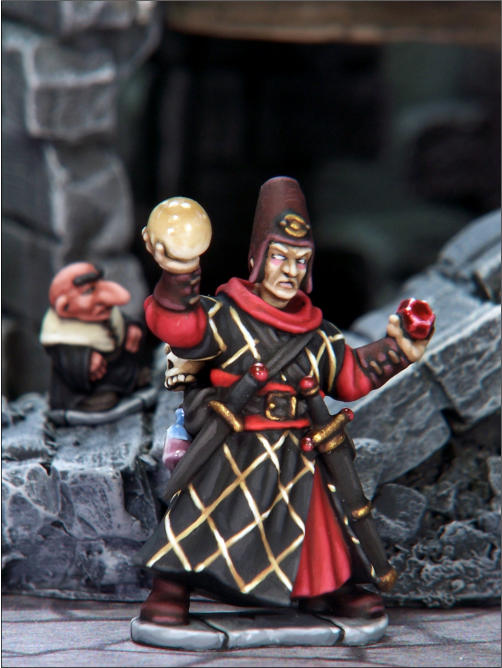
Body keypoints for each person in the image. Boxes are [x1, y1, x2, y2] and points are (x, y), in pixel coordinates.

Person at [134, 177, 434, 628]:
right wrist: (179, 272)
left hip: (297, 451)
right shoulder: (224, 318)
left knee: (317, 526)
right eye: (279, 257)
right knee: (203, 519)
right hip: (235, 444)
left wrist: (398, 351)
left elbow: (350, 375)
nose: (290, 270)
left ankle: (329, 588)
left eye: (300, 260)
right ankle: (171, 588)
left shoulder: (318, 335)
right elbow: (180, 327)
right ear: (257, 259)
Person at [40, 262, 147, 412]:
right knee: (98, 392)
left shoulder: (103, 313)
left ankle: (130, 380)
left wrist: (132, 328)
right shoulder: (61, 335)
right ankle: (87, 401)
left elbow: (123, 320)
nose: (105, 299)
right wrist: (85, 360)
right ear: (65, 307)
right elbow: (67, 362)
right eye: (89, 291)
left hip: (116, 367)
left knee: (128, 371)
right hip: (83, 389)